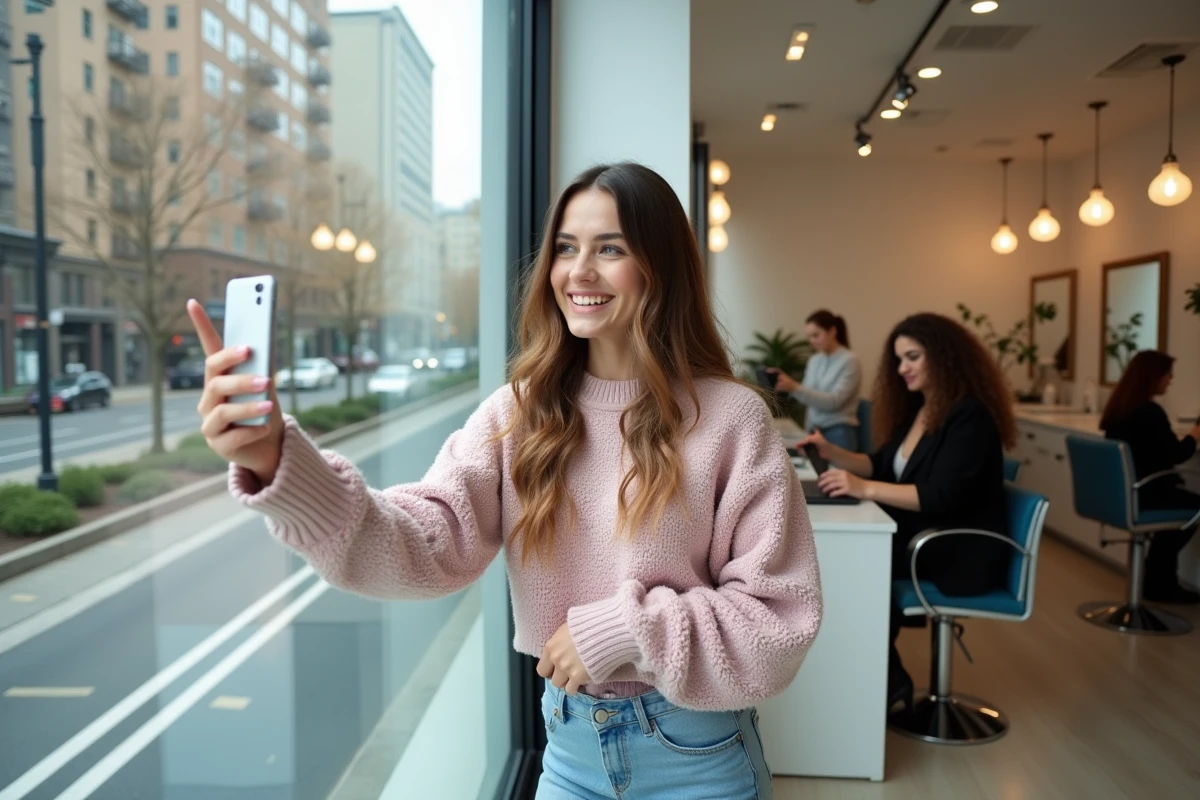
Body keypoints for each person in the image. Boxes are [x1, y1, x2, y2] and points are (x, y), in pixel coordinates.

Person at [187, 162, 821, 800]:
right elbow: (421, 542)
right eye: (566, 248)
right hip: (570, 754)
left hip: (695, 757)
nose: (580, 271)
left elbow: (777, 624)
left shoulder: (731, 420)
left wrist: (625, 632)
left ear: (661, 268)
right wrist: (279, 462)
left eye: (611, 249)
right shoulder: (518, 413)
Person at [798, 312, 1014, 715]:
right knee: (846, 562)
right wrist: (833, 453)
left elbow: (943, 497)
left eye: (913, 357)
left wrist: (862, 489)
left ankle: (882, 676)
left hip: (958, 550)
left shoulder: (969, 416)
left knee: (851, 565)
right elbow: (882, 464)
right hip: (923, 537)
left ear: (945, 357)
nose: (902, 369)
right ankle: (878, 674)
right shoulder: (922, 410)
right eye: (899, 360)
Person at [1100, 350, 1200, 604]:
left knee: (1183, 505)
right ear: (1154, 376)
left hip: (1121, 494)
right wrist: (1196, 433)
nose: (1171, 380)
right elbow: (1177, 454)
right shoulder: (1150, 412)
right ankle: (1160, 583)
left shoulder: (1119, 410)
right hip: (1146, 493)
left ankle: (1155, 580)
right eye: (1168, 375)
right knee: (1193, 508)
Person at [767, 310, 862, 451]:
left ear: (832, 331)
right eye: (809, 336)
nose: (812, 341)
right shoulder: (815, 360)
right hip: (813, 431)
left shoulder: (850, 361)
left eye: (816, 335)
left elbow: (833, 402)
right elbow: (807, 396)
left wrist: (795, 387)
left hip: (839, 433)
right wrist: (788, 386)